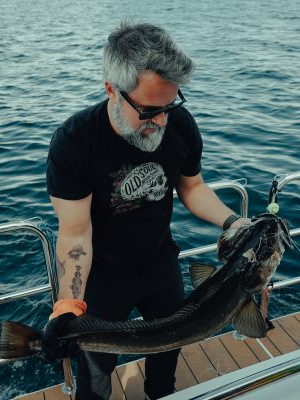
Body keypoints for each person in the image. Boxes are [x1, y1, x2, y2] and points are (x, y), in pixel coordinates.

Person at [45, 21, 249, 400]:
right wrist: (68, 304)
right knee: (95, 373)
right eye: (149, 110)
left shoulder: (181, 125)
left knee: (167, 357)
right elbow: (75, 234)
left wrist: (234, 222)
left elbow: (193, 188)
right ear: (111, 89)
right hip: (103, 278)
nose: (161, 120)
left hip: (160, 265)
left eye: (170, 105)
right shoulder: (74, 143)